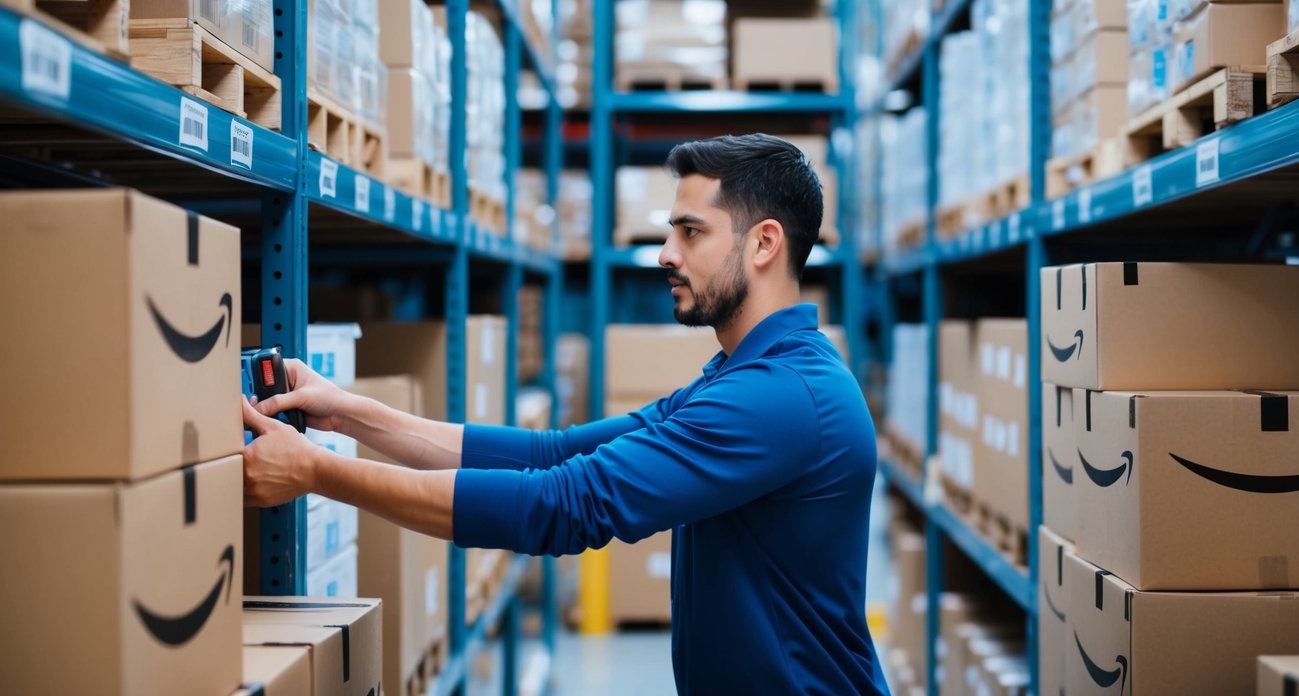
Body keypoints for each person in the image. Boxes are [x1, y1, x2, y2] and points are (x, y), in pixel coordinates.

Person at [241, 133, 890, 695]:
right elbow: (554, 454)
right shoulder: (743, 378)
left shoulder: (780, 398)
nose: (666, 252)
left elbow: (564, 506)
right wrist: (347, 414)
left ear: (763, 244)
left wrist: (320, 476)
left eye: (689, 231)